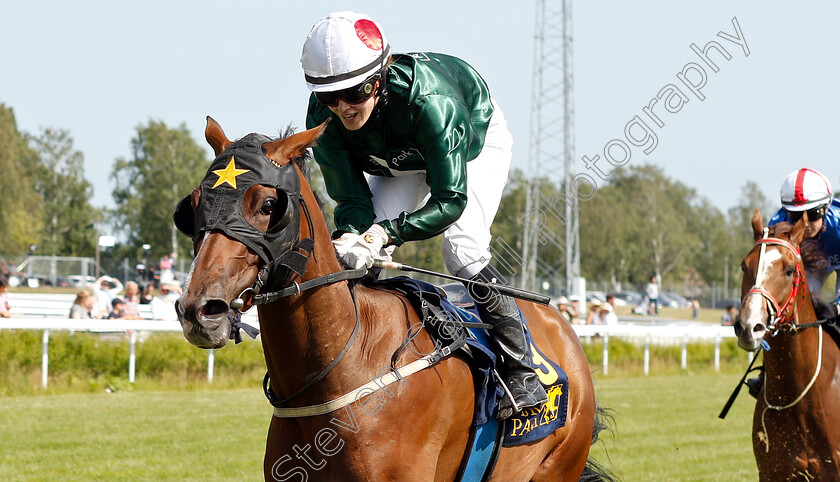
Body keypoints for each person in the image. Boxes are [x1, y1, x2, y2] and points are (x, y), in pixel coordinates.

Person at [300, 11, 546, 418]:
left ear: (378, 77)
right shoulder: (324, 117)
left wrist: (388, 233)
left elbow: (450, 199)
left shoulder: (431, 102)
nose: (343, 108)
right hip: (403, 160)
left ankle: (523, 372)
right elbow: (352, 202)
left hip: (469, 141)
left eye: (356, 93)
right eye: (330, 97)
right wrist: (357, 236)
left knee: (462, 249)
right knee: (353, 254)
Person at [747, 167, 840, 396]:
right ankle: (767, 372)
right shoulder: (778, 224)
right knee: (782, 314)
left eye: (814, 214)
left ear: (825, 208)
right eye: (797, 216)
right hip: (807, 270)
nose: (805, 223)